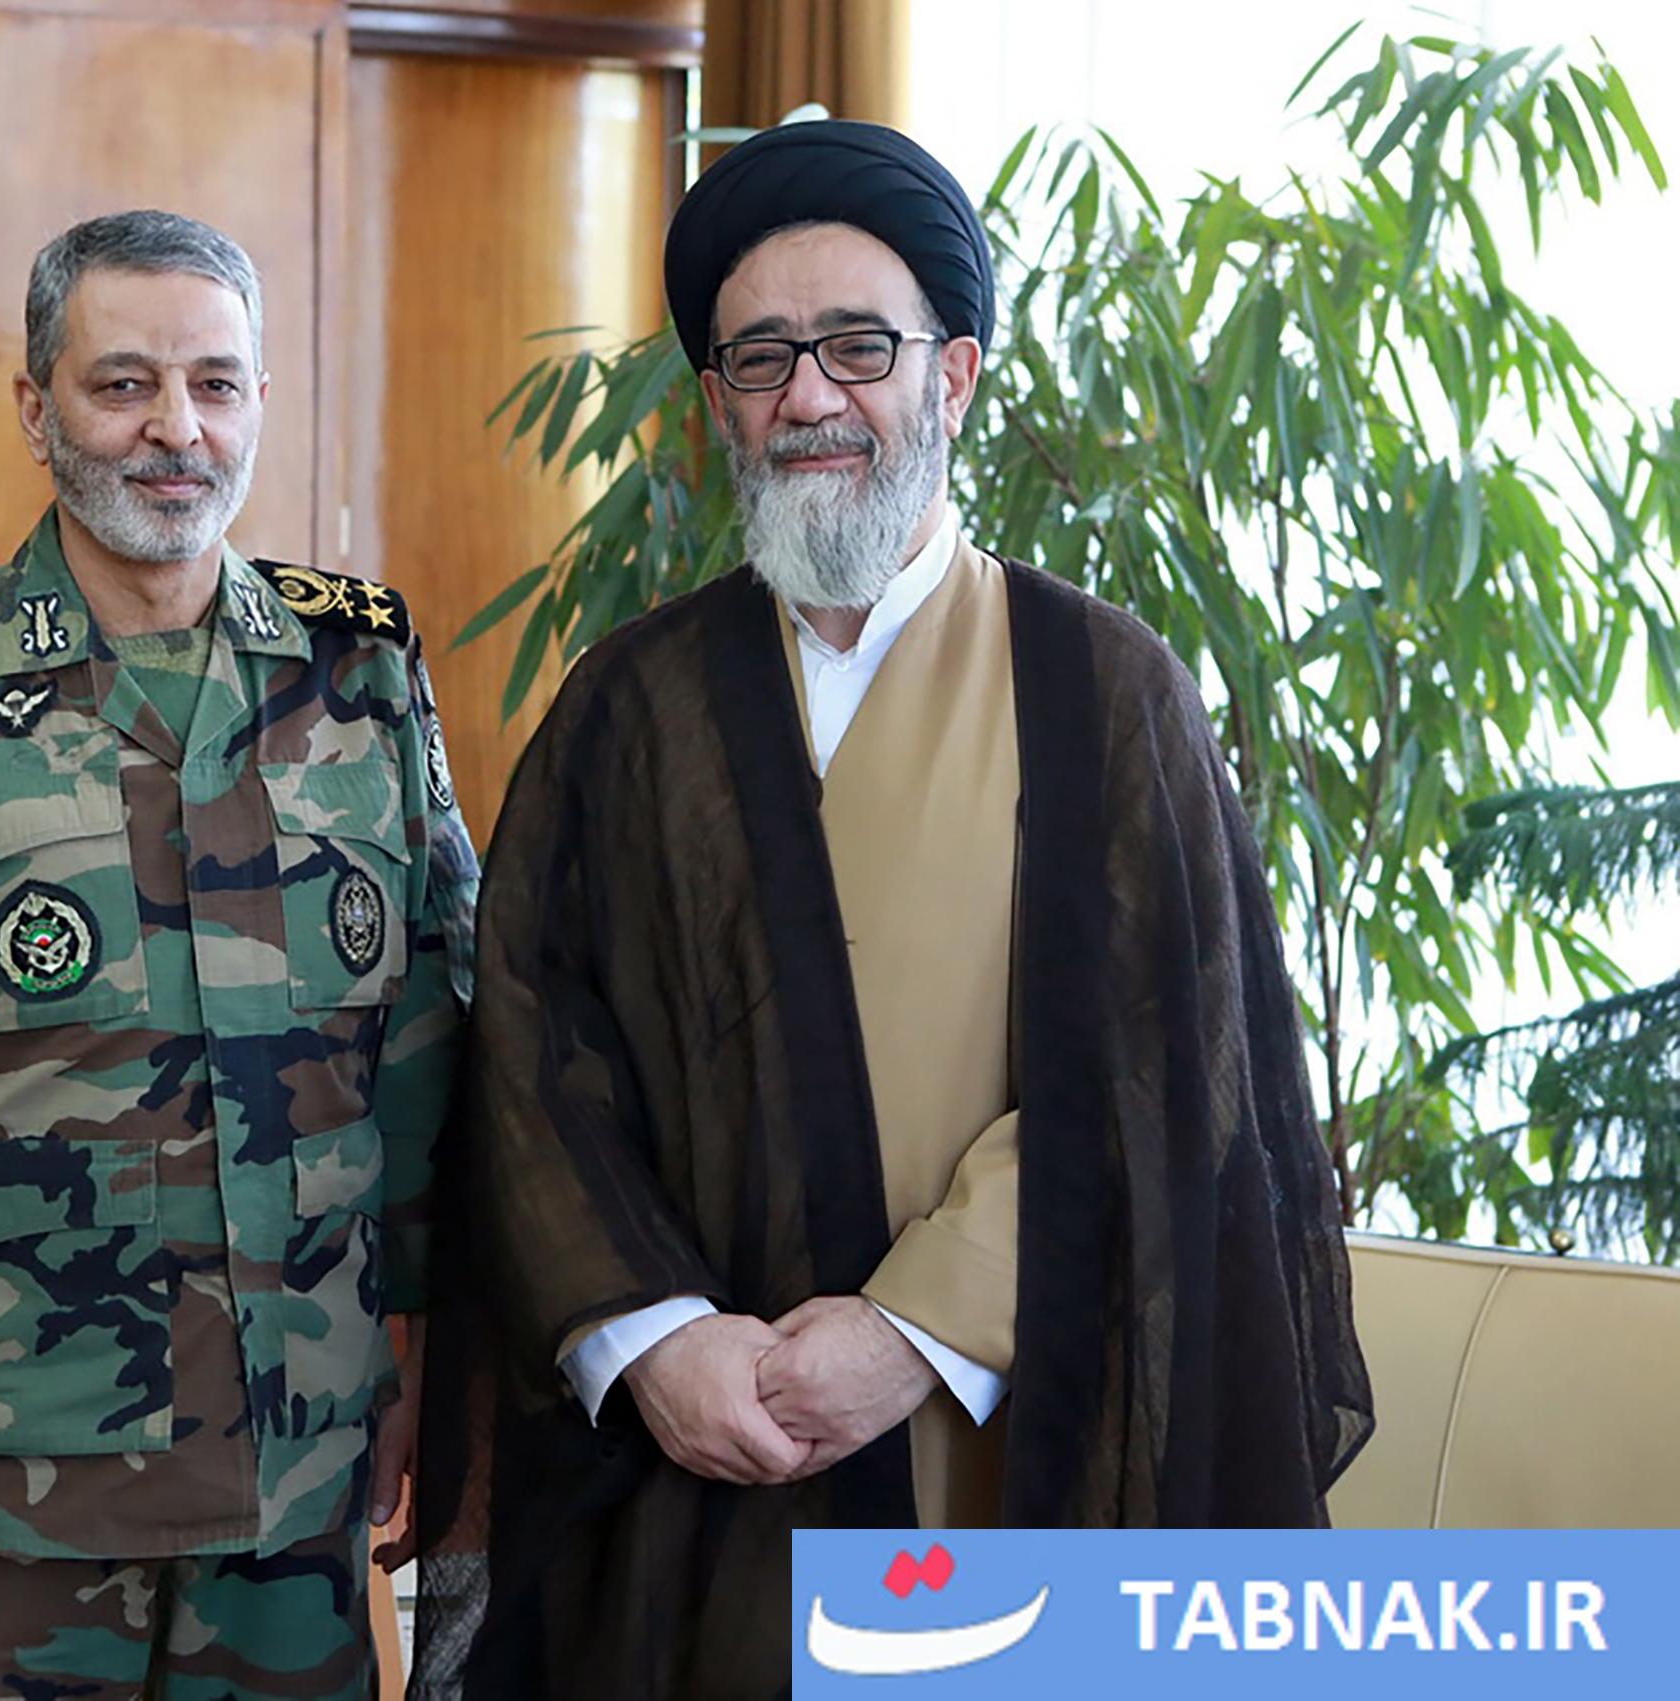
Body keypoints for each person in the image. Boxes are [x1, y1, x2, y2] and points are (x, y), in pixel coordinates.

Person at [408, 120, 1373, 1699]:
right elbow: (529, 1056)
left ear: (954, 376)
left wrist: (909, 1332)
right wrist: (651, 1337)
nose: (809, 396)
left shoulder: (1098, 690)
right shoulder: (627, 705)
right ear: (717, 402)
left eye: (858, 348)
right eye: (760, 359)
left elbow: (1157, 1065)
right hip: (691, 1459)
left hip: (998, 1445)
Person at [0, 209, 478, 1701]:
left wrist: (422, 1364)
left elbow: (425, 1048)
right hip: (5, 1478)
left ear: (258, 403)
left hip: (298, 1455)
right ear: (37, 408)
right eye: (123, 384)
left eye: (214, 384)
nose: (174, 430)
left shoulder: (360, 668)